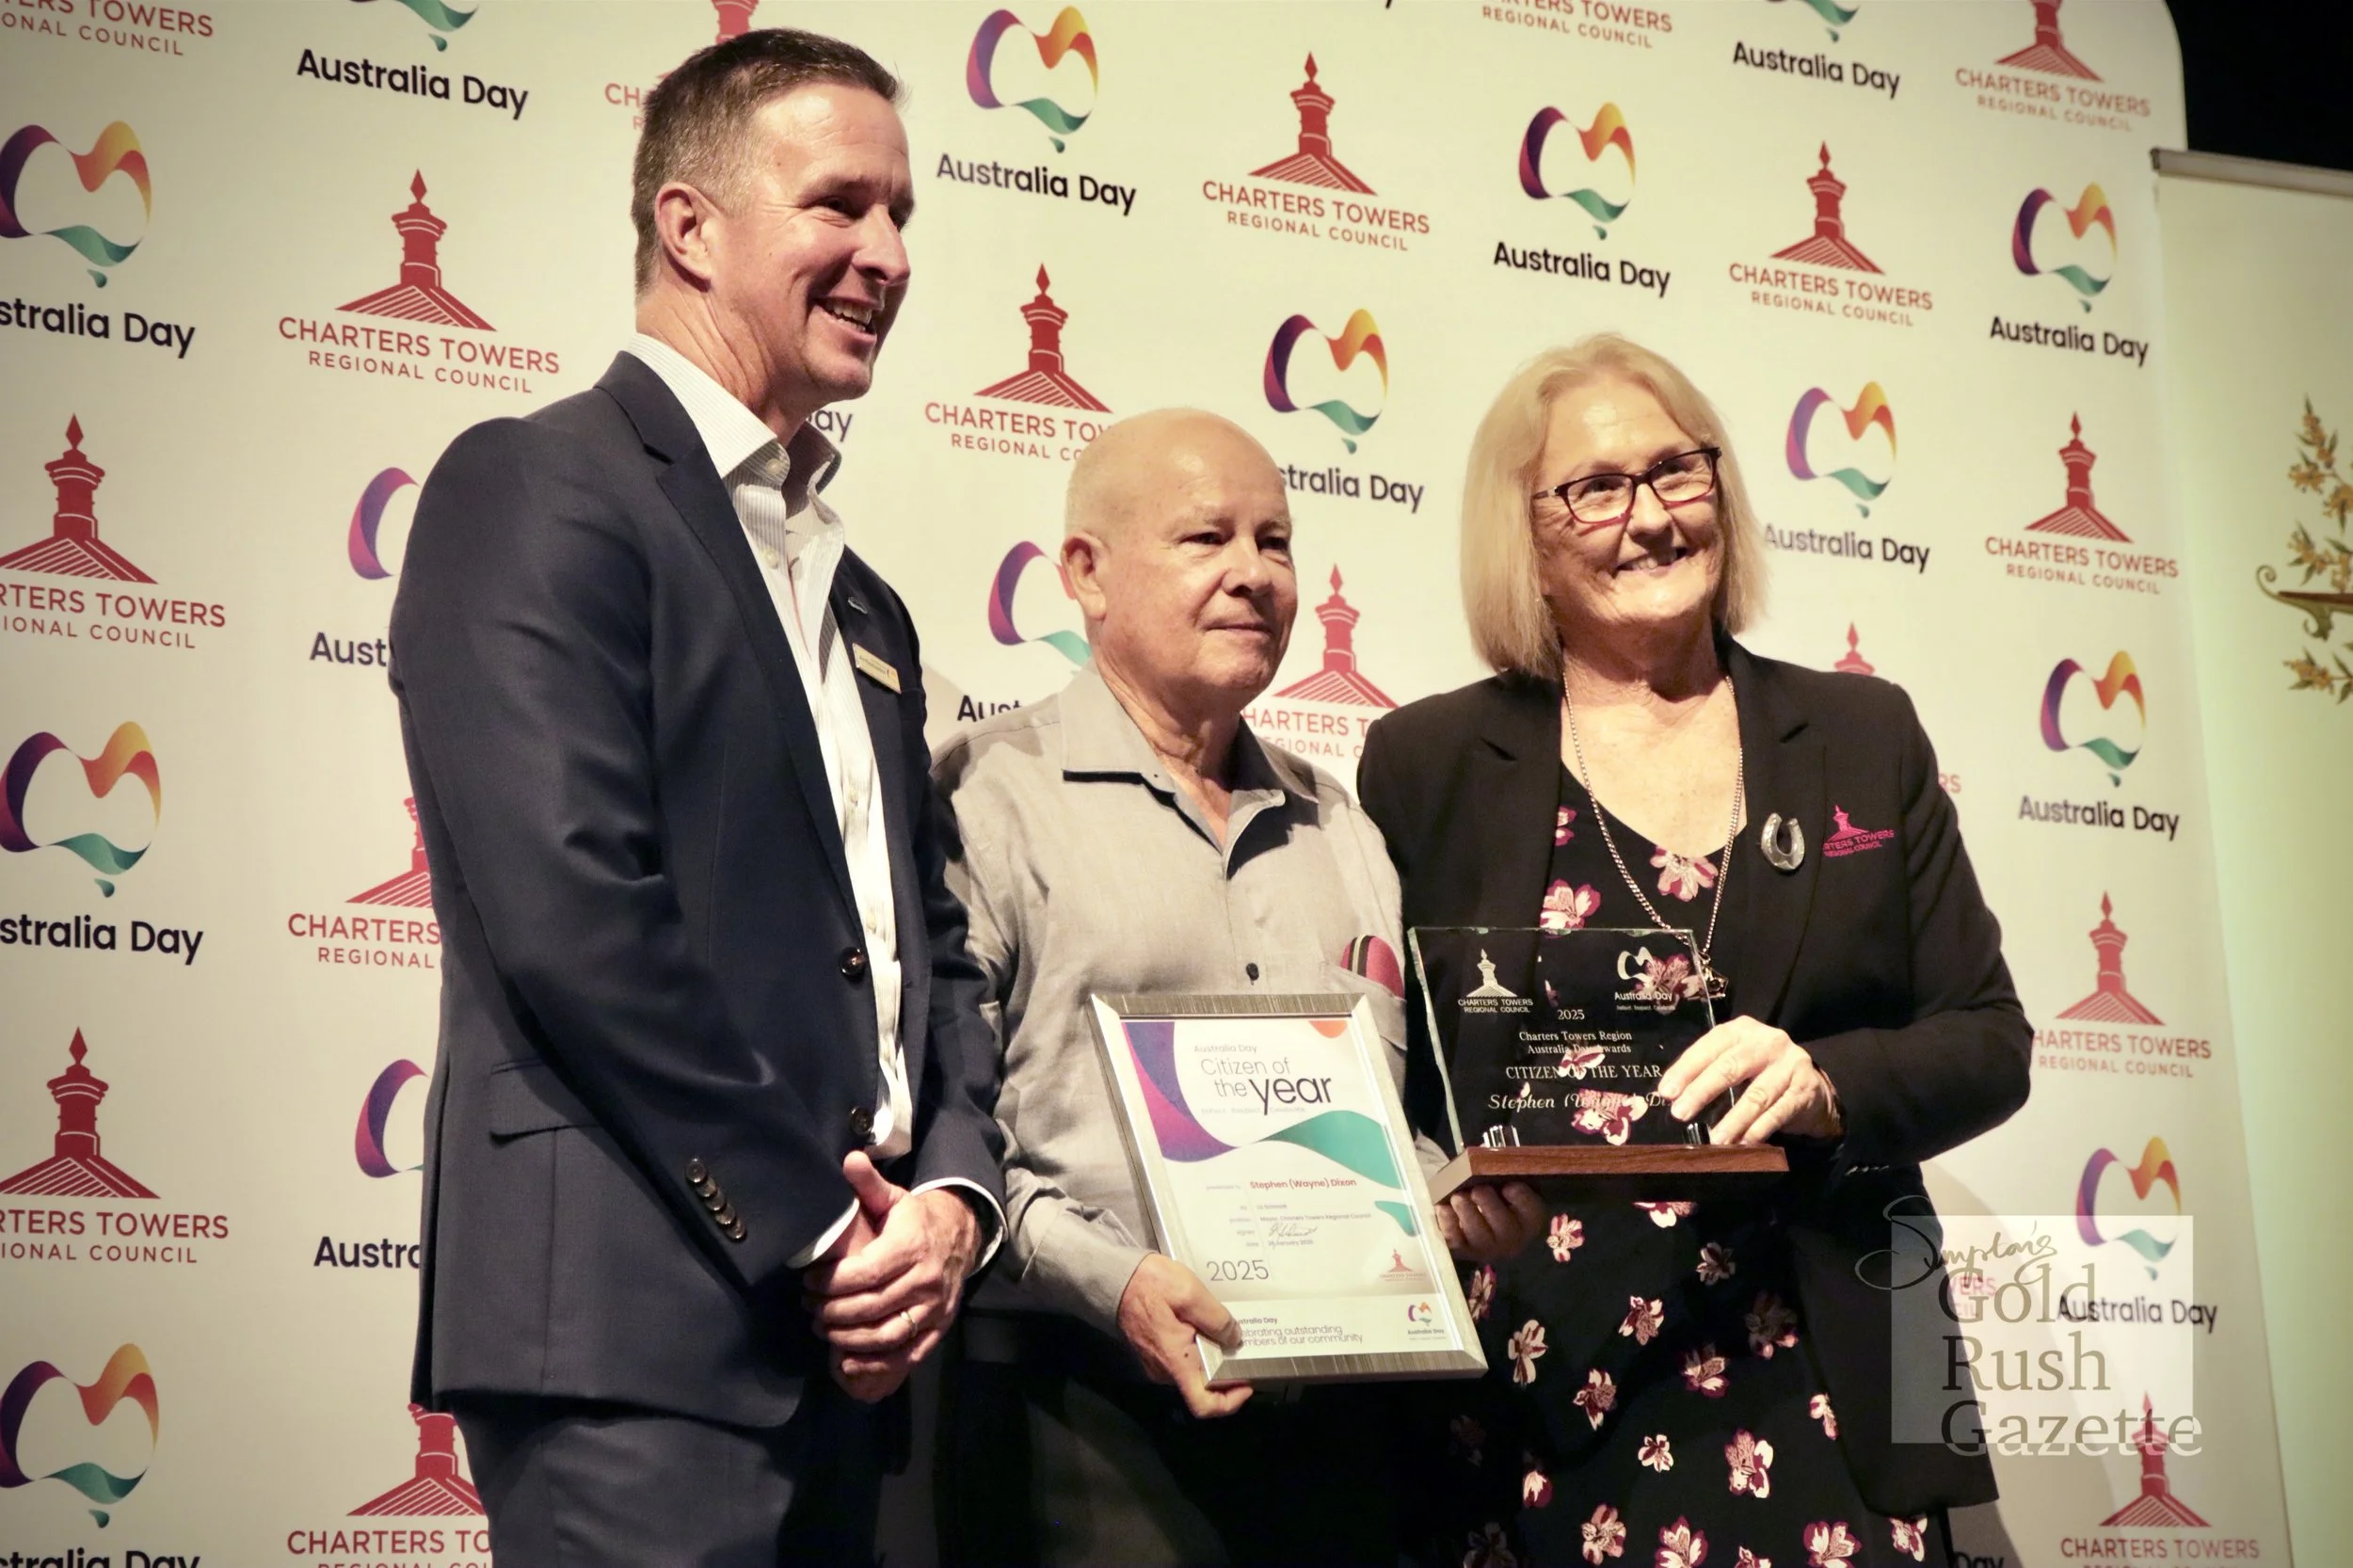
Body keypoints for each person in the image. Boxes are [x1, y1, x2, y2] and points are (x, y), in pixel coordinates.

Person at [387, 29, 1005, 1564]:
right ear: (689, 226)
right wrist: (820, 1224)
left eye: (905, 215)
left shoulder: (866, 601)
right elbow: (571, 915)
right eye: (839, 206)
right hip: (632, 1342)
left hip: (861, 1358)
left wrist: (951, 1200)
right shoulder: (531, 488)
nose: (886, 255)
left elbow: (933, 942)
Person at [1356, 336, 2030, 1568]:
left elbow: (1990, 1040)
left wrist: (1829, 1086)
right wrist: (1444, 1203)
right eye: (1597, 486)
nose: (1652, 515)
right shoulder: (1428, 764)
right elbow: (1393, 1084)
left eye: (1679, 471)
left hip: (1831, 1365)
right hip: (1545, 1389)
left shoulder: (1863, 734)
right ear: (1527, 538)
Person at [930, 409, 1544, 1567]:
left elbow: (1379, 1130)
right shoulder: (985, 797)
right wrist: (1113, 1285)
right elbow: (949, 1134)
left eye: (1275, 540)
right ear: (1086, 573)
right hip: (1081, 1415)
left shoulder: (1343, 824)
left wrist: (1454, 1205)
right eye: (1205, 537)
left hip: (1342, 1432)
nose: (1252, 575)